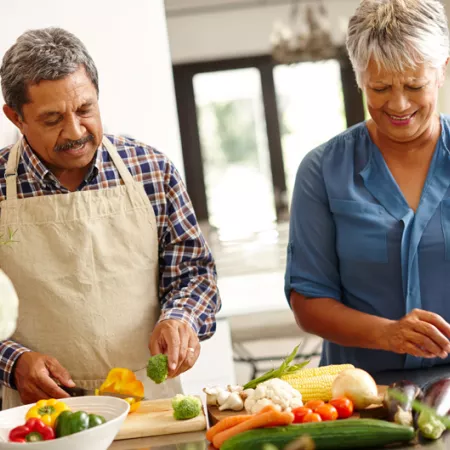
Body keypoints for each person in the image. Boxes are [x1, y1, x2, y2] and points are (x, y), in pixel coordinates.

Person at [0, 27, 221, 409]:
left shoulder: (152, 170)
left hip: (148, 400)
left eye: (85, 109)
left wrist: (181, 318)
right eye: (52, 119)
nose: (75, 131)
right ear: (16, 117)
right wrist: (12, 361)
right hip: (36, 410)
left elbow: (194, 275)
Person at [285, 0, 450, 374]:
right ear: (359, 78)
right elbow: (308, 302)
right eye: (379, 87)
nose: (399, 104)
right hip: (358, 397)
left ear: (441, 71)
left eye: (414, 84)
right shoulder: (322, 171)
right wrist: (388, 334)